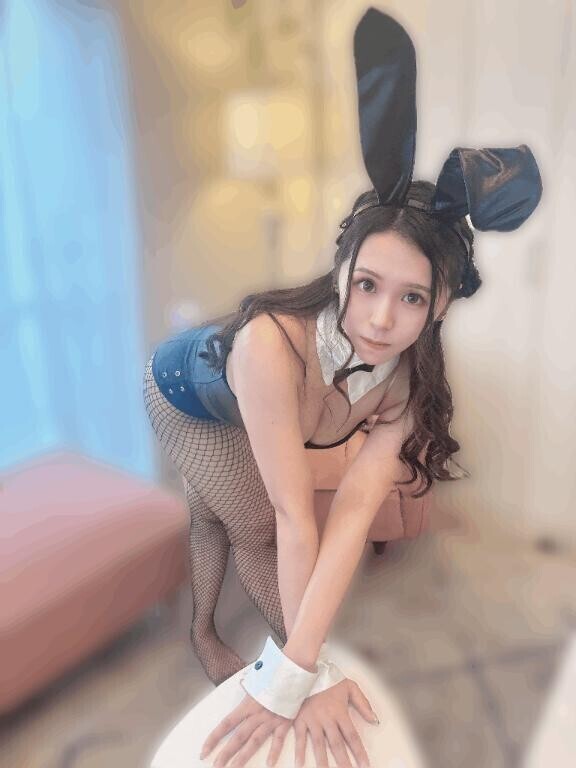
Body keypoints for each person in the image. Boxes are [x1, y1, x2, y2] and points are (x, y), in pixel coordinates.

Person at [143, 8, 542, 767]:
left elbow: (353, 517)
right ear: (341, 273)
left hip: (249, 404)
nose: (381, 320)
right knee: (253, 525)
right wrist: (303, 678)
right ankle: (207, 633)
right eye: (366, 285)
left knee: (216, 509)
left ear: (442, 305)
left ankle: (206, 629)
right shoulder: (271, 347)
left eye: (412, 297)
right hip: (183, 393)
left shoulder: (406, 389)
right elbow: (298, 524)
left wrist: (299, 666)